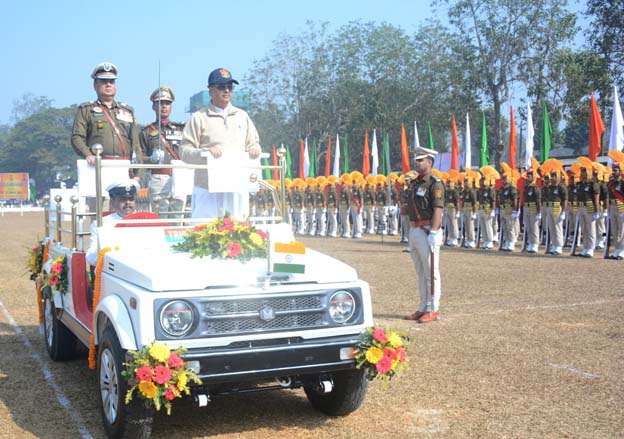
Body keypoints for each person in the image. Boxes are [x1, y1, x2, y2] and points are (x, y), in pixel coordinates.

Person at [180, 68, 261, 218]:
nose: (226, 91)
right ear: (211, 90)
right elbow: (184, 152)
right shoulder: (199, 117)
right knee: (204, 234)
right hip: (207, 187)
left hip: (236, 186)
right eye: (221, 87)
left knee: (238, 234)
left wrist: (255, 148)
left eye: (230, 87)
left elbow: (254, 142)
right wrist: (204, 154)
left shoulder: (242, 116)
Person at [71, 62, 143, 174]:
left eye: (112, 81)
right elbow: (77, 137)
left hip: (124, 167)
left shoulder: (127, 111)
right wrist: (88, 154)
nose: (108, 84)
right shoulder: (86, 110)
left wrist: (138, 174)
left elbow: (136, 145)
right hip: (98, 166)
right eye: (104, 81)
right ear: (95, 85)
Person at [404, 147, 444, 323]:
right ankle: (423, 306)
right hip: (414, 230)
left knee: (431, 272)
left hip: (428, 230)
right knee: (420, 272)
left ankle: (433, 308)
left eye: (421, 160)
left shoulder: (434, 183)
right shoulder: (415, 183)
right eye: (416, 160)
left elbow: (438, 209)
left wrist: (434, 231)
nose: (417, 163)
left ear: (430, 162)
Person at [139, 86, 186, 216]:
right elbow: (139, 157)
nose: (164, 106)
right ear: (153, 106)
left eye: (167, 103)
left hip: (179, 177)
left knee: (178, 218)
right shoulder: (146, 132)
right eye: (160, 103)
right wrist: (151, 159)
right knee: (160, 219)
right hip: (159, 177)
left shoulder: (181, 129)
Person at [85, 180, 139, 265]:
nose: (127, 203)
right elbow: (90, 259)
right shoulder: (101, 224)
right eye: (122, 199)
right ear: (113, 202)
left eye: (131, 199)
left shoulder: (146, 221)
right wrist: (106, 244)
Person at [521, 168, 541, 253]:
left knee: (534, 226)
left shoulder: (535, 188)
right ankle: (531, 242)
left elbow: (538, 201)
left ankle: (535, 244)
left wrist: (538, 212)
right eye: (527, 175)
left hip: (533, 207)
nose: (527, 177)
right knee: (528, 226)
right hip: (526, 207)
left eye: (529, 175)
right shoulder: (526, 187)